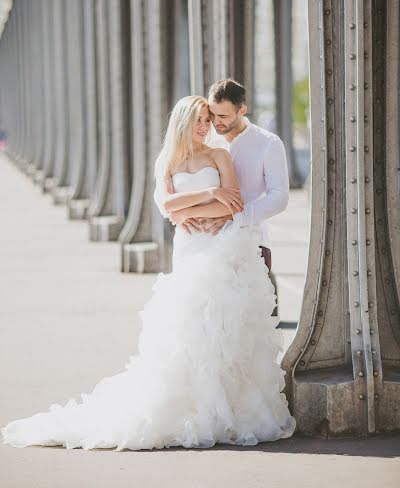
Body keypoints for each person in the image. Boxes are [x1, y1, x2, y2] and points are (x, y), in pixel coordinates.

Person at [1, 95, 296, 451]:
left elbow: (232, 199)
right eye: (198, 120)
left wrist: (202, 206)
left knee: (226, 324)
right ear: (183, 123)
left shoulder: (219, 155)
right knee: (190, 325)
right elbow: (167, 204)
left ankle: (230, 408)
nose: (204, 127)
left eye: (207, 119)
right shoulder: (168, 160)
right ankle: (197, 406)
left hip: (221, 245)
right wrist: (209, 192)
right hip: (190, 248)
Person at [172, 79, 290, 316]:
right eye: (212, 115)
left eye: (223, 116)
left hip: (251, 241)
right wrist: (178, 213)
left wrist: (235, 217)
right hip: (203, 245)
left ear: (242, 110)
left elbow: (279, 197)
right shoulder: (205, 137)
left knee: (247, 322)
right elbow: (171, 176)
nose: (215, 122)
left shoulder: (268, 144)